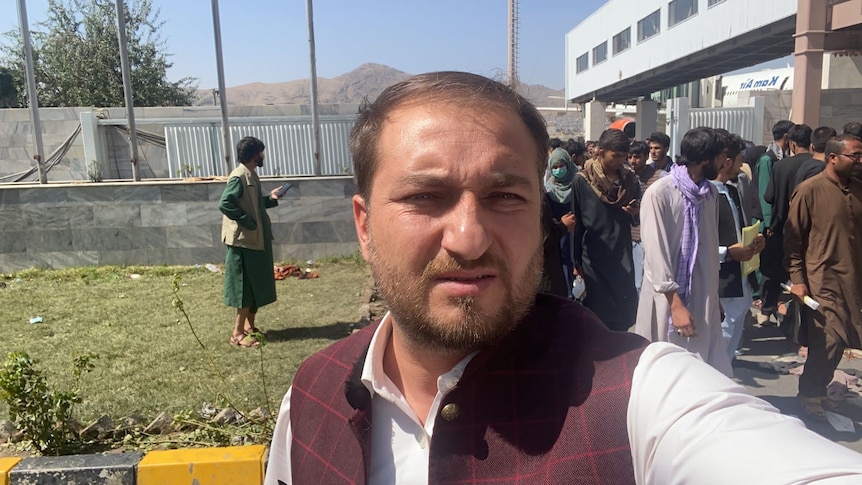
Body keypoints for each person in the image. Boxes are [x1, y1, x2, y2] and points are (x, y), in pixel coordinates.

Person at [265, 72, 862, 485]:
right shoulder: (312, 400)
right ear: (364, 226)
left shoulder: (637, 400)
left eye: (504, 196)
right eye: (426, 196)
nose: (469, 237)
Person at [634, 127, 733, 376]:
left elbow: (708, 251)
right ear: (704, 159)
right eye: (722, 156)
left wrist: (714, 297)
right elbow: (656, 254)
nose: (725, 163)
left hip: (703, 298)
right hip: (666, 300)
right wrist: (676, 305)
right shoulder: (660, 194)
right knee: (664, 371)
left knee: (702, 372)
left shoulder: (709, 195)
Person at [785, 134, 862, 419]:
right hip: (821, 279)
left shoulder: (857, 190)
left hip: (852, 280)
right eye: (854, 156)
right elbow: (793, 240)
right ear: (833, 157)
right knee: (826, 339)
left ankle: (818, 388)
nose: (859, 161)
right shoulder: (810, 190)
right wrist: (797, 278)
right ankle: (810, 392)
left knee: (842, 339)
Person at [571, 129, 640, 331]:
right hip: (594, 257)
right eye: (616, 156)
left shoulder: (630, 180)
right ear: (599, 152)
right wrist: (576, 262)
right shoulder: (582, 181)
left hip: (622, 255)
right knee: (599, 314)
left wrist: (635, 212)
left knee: (624, 312)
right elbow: (577, 225)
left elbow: (636, 218)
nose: (621, 161)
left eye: (623, 156)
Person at [218, 136, 281, 348]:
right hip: (243, 243)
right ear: (254, 155)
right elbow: (226, 203)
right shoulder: (238, 177)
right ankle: (236, 333)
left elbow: (253, 203)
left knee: (255, 286)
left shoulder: (251, 175)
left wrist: (270, 200)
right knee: (244, 288)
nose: (263, 156)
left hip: (256, 241)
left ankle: (249, 327)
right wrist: (248, 222)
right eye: (261, 152)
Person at [712, 133, 765, 362]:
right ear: (726, 160)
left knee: (731, 339)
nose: (742, 165)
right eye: (739, 159)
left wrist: (754, 241)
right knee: (719, 340)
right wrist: (727, 252)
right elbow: (694, 245)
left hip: (741, 279)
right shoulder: (705, 195)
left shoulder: (731, 189)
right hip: (720, 283)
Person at [762, 124, 812, 321]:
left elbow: (769, 196)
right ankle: (798, 318)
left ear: (791, 143)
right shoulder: (820, 166)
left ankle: (767, 310)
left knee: (774, 271)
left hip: (783, 227)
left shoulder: (780, 166)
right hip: (810, 231)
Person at [754, 120, 794, 320]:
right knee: (767, 264)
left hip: (775, 222)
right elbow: (764, 194)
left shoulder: (780, 159)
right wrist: (769, 223)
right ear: (786, 137)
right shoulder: (767, 160)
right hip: (767, 223)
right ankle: (764, 304)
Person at [629, 140, 664, 293]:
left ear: (645, 157)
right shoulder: (627, 177)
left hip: (650, 236)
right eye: (629, 157)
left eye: (636, 157)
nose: (632, 161)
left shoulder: (660, 177)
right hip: (631, 236)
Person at [545, 144, 578, 297]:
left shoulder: (578, 184)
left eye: (562, 165)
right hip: (558, 234)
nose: (558, 170)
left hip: (576, 233)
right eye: (555, 167)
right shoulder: (548, 189)